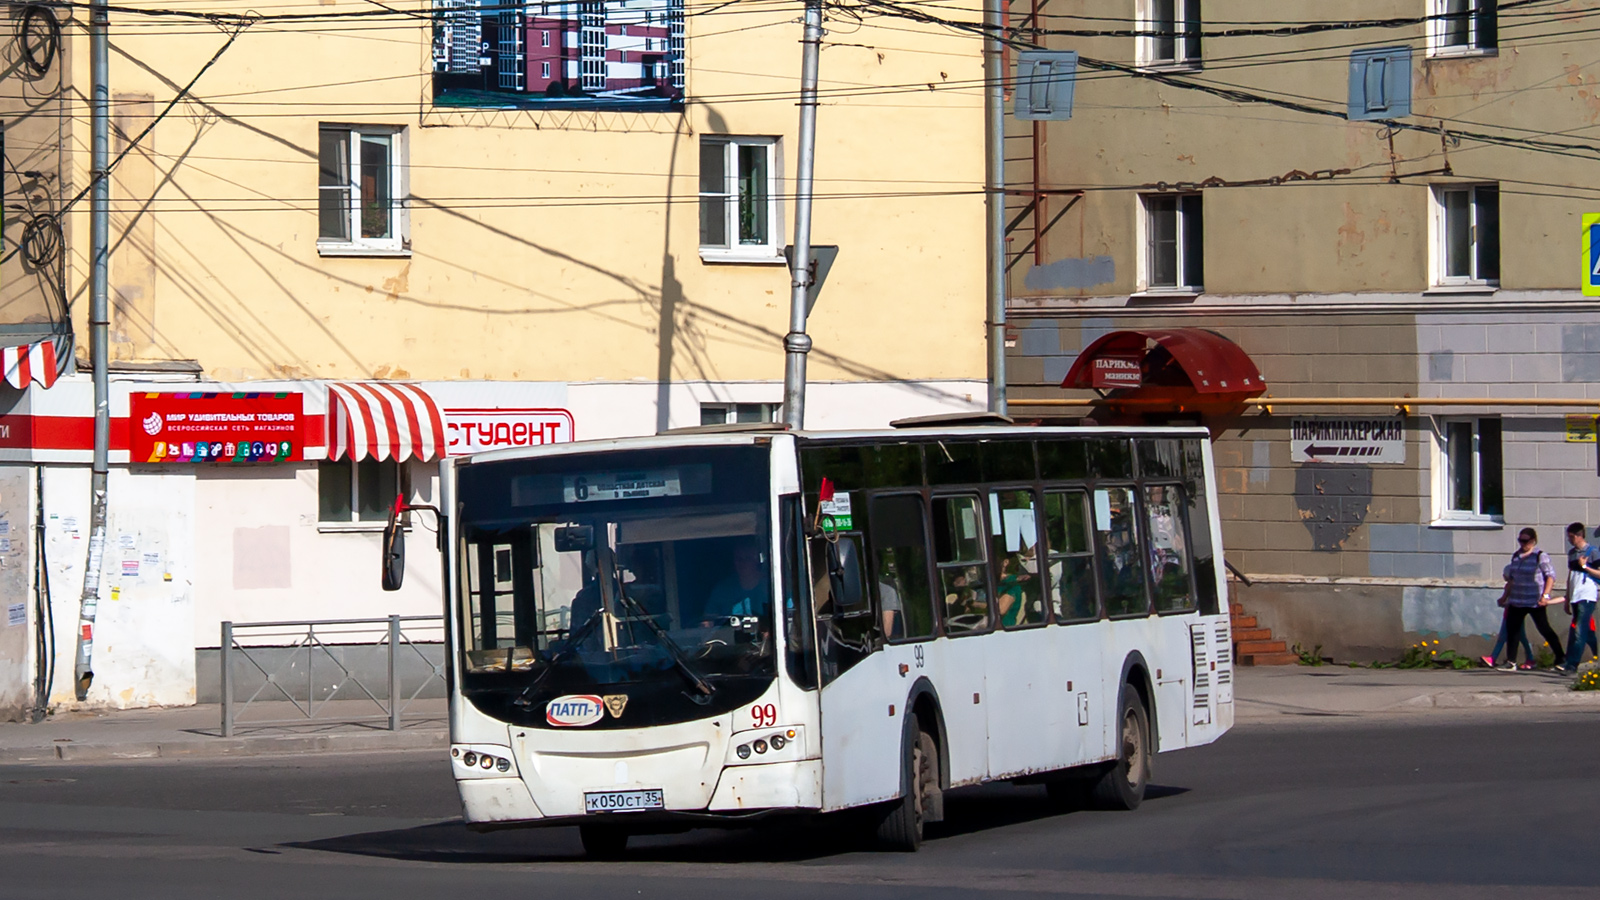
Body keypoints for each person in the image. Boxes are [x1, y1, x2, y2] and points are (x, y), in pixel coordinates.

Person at [1500, 527, 1565, 670]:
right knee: (1513, 630)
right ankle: (1511, 661)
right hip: (1517, 600)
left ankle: (1561, 657)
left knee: (1544, 628)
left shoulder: (1540, 556)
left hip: (1534, 601)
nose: (1523, 544)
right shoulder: (1516, 556)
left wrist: (1545, 596)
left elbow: (1550, 576)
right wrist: (1505, 597)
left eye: (1526, 541)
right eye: (1520, 540)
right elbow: (1511, 579)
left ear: (1533, 541)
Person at [702, 540, 770, 624]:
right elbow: (707, 622)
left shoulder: (773, 587)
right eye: (739, 559)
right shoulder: (722, 590)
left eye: (748, 558)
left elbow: (788, 617)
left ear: (758, 560)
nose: (742, 563)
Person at [1562, 522, 1600, 671]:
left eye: (1571, 537)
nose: (1570, 540)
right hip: (1575, 595)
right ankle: (1595, 653)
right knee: (1581, 629)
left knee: (1578, 629)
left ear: (1579, 536)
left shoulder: (1593, 552)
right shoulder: (1572, 553)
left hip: (1587, 595)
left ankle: (1572, 664)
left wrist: (1585, 567)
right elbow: (1570, 575)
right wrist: (1567, 597)